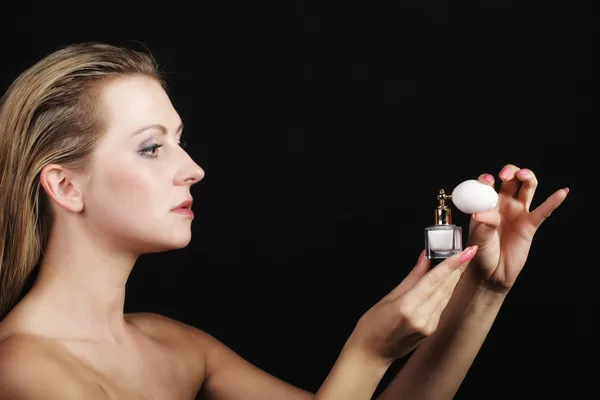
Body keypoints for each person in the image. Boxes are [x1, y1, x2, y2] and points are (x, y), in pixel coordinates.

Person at [0, 42, 569, 399]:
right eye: (152, 148)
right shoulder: (23, 370)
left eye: (181, 141)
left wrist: (484, 291)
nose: (194, 169)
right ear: (65, 186)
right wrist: (366, 352)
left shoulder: (175, 346)